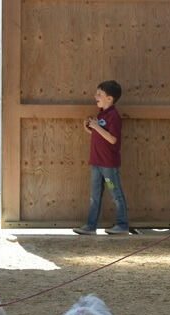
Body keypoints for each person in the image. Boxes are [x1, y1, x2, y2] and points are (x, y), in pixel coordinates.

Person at [73, 80, 129, 235]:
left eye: (99, 94)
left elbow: (112, 139)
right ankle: (90, 226)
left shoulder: (114, 116)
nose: (95, 96)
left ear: (110, 98)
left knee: (115, 193)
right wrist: (90, 127)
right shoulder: (102, 114)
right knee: (95, 195)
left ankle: (122, 225)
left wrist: (97, 126)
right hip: (96, 163)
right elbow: (100, 136)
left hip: (108, 166)